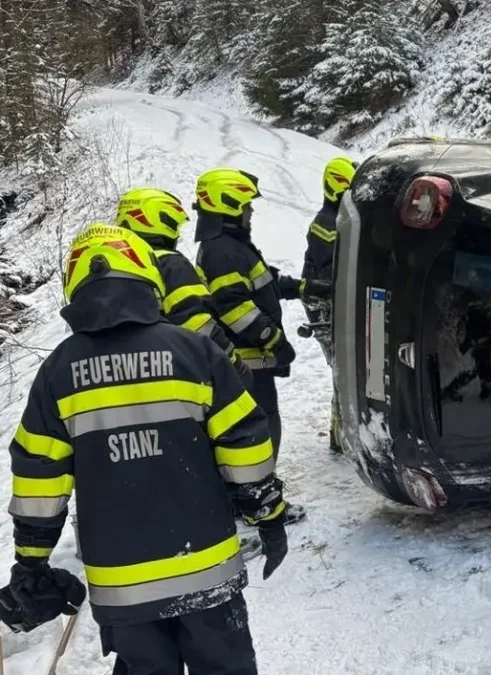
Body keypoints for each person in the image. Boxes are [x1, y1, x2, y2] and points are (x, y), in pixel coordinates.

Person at [2, 223, 287, 674]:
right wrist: (268, 514)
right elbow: (246, 446)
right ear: (144, 274)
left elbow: (39, 477)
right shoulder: (194, 353)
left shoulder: (58, 373)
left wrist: (31, 562)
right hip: (206, 571)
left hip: (122, 588)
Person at [192, 168, 330, 524]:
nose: (250, 213)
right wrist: (274, 340)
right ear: (230, 205)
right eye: (246, 207)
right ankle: (258, 503)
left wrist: (300, 287)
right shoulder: (223, 250)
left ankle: (246, 499)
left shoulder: (228, 246)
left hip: (246, 362)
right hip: (247, 363)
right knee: (260, 429)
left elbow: (261, 280)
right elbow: (235, 307)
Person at [114, 187, 252, 386]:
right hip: (172, 373)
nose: (177, 234)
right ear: (157, 221)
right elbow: (197, 323)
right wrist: (232, 363)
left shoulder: (114, 267)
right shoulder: (169, 263)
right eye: (174, 225)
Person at [300, 156, 356, 453]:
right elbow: (331, 272)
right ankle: (339, 435)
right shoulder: (326, 224)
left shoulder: (338, 218)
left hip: (327, 303)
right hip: (324, 307)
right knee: (342, 369)